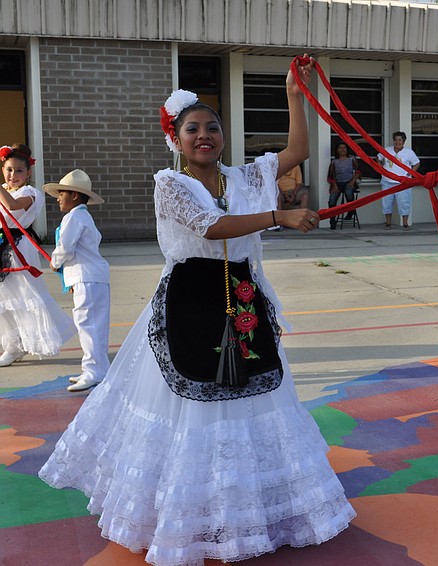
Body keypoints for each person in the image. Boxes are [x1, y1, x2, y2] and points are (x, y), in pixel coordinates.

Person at [39, 57, 356, 566]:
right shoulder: (170, 184)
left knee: (254, 398)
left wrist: (294, 94)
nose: (204, 136)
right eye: (193, 129)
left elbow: (297, 151)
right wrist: (279, 216)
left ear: (224, 136)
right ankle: (191, 517)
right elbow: (209, 227)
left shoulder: (244, 177)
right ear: (176, 139)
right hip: (188, 303)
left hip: (243, 297)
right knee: (192, 406)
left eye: (213, 127)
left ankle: (251, 511)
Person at [0, 143, 75, 366]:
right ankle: (12, 343)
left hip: (18, 247)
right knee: (4, 298)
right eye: (9, 169)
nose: (13, 175)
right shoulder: (4, 188)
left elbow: (12, 206)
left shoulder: (31, 193)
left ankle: (19, 345)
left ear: (28, 173)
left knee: (22, 295)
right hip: (1, 243)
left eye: (19, 170)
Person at [45, 169, 111, 392]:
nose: (58, 198)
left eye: (61, 194)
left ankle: (94, 371)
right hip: (91, 277)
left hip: (87, 277)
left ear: (74, 195)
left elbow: (66, 247)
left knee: (88, 324)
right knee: (95, 325)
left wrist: (55, 261)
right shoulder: (84, 216)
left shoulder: (73, 217)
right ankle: (97, 368)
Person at [378, 131, 419, 230]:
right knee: (386, 203)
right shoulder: (387, 150)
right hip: (387, 182)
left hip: (403, 183)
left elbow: (417, 163)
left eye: (400, 140)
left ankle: (405, 223)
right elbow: (378, 158)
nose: (397, 142)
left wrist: (410, 174)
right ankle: (388, 223)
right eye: (396, 140)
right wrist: (381, 169)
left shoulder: (409, 152)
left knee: (404, 203)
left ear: (403, 141)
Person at [327, 141, 360, 228]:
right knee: (332, 199)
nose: (342, 149)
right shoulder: (334, 162)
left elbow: (358, 171)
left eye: (344, 147)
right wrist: (334, 186)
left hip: (349, 182)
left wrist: (352, 181)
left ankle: (350, 210)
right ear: (337, 150)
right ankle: (332, 220)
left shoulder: (352, 159)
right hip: (337, 183)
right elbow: (331, 175)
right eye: (340, 148)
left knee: (348, 192)